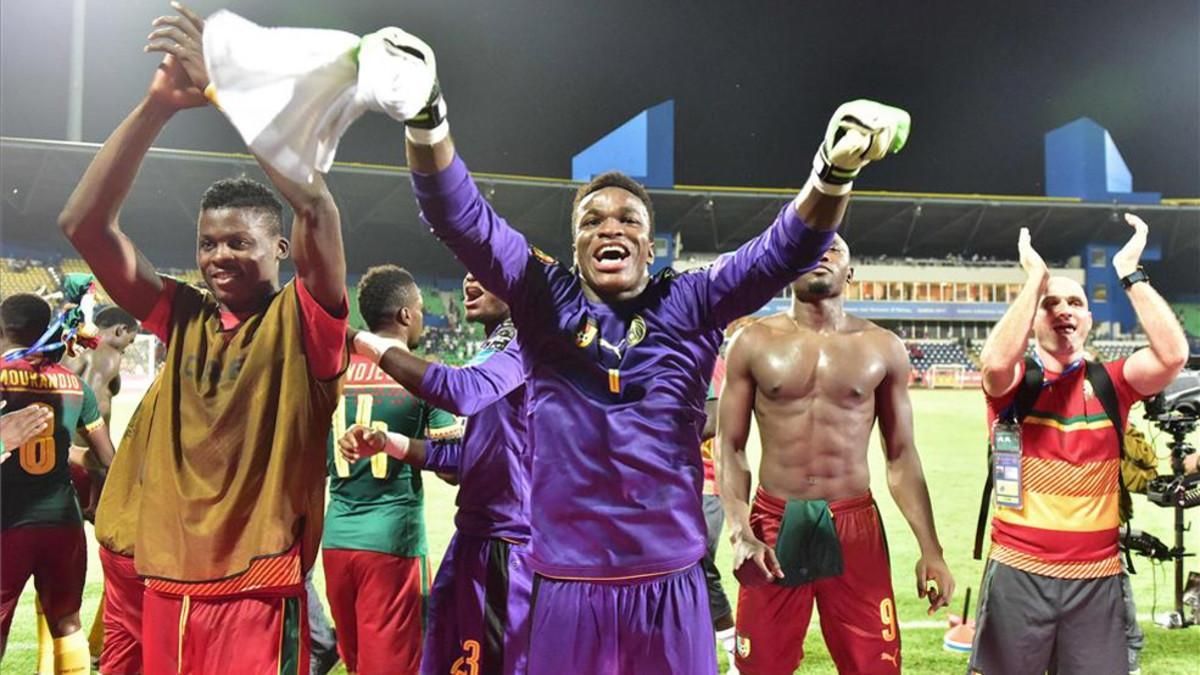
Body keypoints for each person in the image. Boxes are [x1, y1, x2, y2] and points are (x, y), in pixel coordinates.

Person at [382, 32, 910, 673]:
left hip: (671, 586)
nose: (610, 226)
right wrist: (427, 115)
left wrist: (832, 169)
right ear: (574, 245)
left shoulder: (690, 303)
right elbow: (460, 218)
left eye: (629, 219)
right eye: (592, 220)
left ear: (649, 244)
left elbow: (785, 250)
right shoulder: (541, 298)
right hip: (565, 586)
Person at [57, 4, 349, 672]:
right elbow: (84, 226)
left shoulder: (307, 321)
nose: (219, 255)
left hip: (260, 590)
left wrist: (228, 95)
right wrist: (157, 106)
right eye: (208, 242)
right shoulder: (181, 313)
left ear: (280, 247)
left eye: (238, 241)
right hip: (167, 583)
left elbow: (317, 207)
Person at [718, 234, 954, 674]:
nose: (822, 253)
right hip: (773, 521)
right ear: (788, 264)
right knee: (760, 667)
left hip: (854, 522)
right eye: (810, 246)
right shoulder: (751, 343)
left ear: (851, 272)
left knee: (874, 667)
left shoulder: (883, 347)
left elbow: (901, 456)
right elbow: (729, 447)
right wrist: (738, 532)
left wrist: (932, 549)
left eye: (835, 249)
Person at [971, 216, 1188, 674]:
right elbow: (993, 363)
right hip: (1018, 571)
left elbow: (1172, 356)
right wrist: (1035, 281)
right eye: (1051, 304)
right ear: (1033, 320)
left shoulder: (1113, 383)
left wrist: (1129, 269)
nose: (1064, 309)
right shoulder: (1016, 384)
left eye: (1075, 302)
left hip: (1097, 578)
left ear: (1089, 319)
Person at [338, 272, 531, 675]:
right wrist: (388, 441)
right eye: (466, 272)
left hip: (508, 543)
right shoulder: (494, 349)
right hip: (477, 539)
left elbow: (461, 391)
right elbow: (464, 456)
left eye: (486, 272)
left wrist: (359, 340)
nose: (468, 281)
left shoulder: (523, 343)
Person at [320, 265, 462, 675]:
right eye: (419, 310)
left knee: (357, 661)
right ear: (404, 316)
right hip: (392, 546)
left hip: (336, 541)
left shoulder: (334, 373)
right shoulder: (423, 378)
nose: (421, 318)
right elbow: (451, 469)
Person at [0, 293, 117, 672]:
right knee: (67, 623)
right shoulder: (74, 385)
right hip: (64, 523)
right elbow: (106, 457)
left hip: (8, 521)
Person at [700, 355, 738, 671]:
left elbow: (711, 422)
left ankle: (734, 651)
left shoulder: (708, 359)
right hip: (686, 483)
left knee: (700, 571)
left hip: (703, 483)